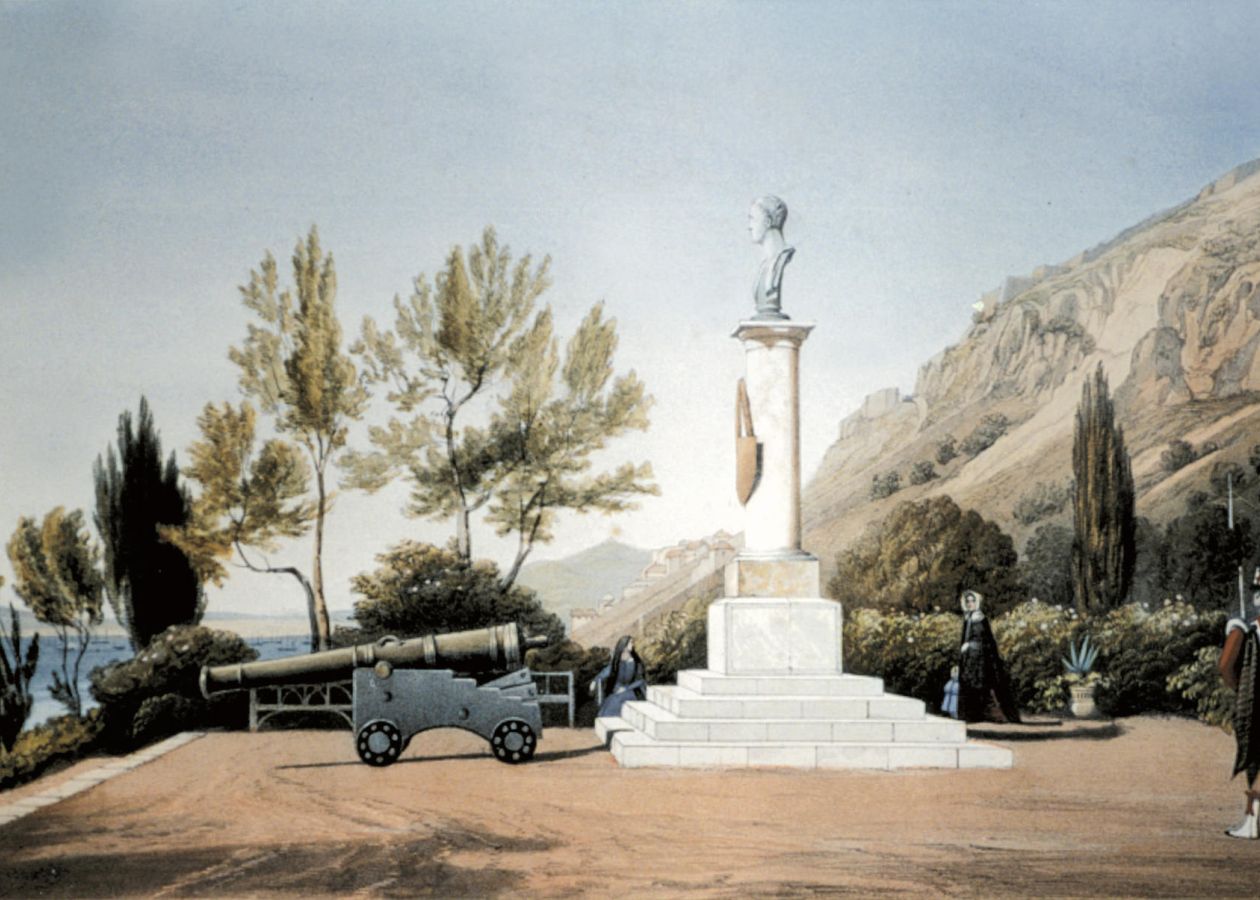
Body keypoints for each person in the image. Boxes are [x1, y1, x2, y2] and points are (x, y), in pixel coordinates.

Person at [1218, 569, 1260, 839]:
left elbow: (1225, 666)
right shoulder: (1247, 629)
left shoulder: (1244, 629)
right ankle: (1252, 819)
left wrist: (1240, 688)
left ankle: (1252, 820)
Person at [957, 589, 1021, 724]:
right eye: (967, 601)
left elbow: (984, 640)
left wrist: (970, 645)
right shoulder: (967, 618)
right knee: (969, 685)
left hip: (981, 658)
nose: (970, 603)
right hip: (969, 659)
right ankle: (972, 716)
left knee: (983, 685)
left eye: (972, 601)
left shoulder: (980, 618)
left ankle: (994, 715)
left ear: (977, 602)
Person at [747, 195, 795, 320]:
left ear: (767, 222)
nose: (749, 226)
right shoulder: (764, 265)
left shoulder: (781, 257)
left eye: (753, 219)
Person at [590, 635, 646, 720]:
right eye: (630, 643)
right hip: (617, 691)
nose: (632, 645)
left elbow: (640, 680)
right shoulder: (617, 662)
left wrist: (626, 688)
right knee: (611, 701)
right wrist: (595, 680)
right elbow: (606, 672)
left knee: (618, 700)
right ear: (624, 645)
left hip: (631, 691)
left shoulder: (636, 662)